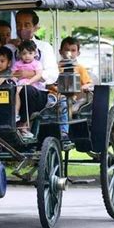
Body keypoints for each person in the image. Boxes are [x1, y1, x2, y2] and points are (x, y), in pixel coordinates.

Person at [11, 10, 59, 138]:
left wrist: (31, 74)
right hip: (12, 89)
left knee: (27, 90)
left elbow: (53, 74)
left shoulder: (44, 47)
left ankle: (24, 125)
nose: (22, 28)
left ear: (35, 27)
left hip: (36, 93)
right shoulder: (9, 48)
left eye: (27, 25)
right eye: (19, 24)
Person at [55, 36, 94, 141]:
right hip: (54, 96)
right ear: (60, 51)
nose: (70, 53)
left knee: (63, 102)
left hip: (71, 98)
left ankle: (64, 132)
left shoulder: (79, 68)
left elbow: (88, 83)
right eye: (67, 50)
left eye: (73, 50)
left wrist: (82, 87)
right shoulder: (55, 67)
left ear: (78, 53)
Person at [11, 40, 46, 138]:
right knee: (15, 91)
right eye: (24, 53)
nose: (27, 56)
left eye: (30, 53)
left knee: (25, 91)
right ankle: (16, 113)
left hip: (32, 86)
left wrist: (29, 82)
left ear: (35, 53)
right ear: (20, 54)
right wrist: (13, 80)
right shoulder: (18, 64)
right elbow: (13, 75)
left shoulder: (37, 63)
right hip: (19, 84)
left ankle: (24, 123)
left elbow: (39, 75)